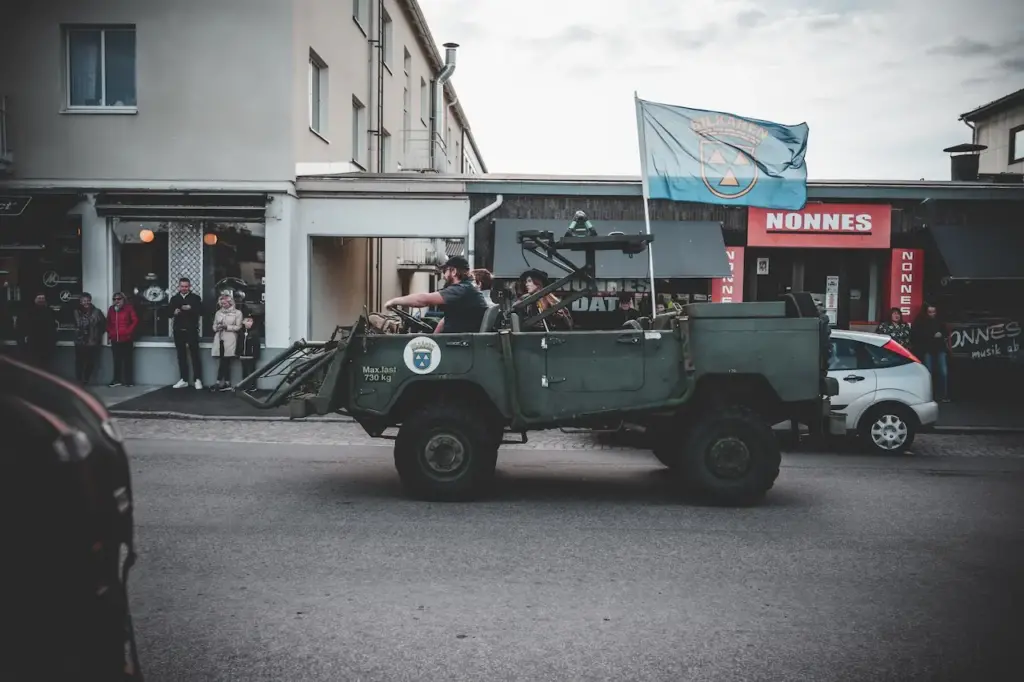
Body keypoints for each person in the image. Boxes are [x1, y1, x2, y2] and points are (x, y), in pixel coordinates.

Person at [383, 255, 489, 333]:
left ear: (454, 271)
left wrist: (394, 301)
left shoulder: (461, 290)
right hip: (458, 342)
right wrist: (434, 338)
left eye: (445, 271)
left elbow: (423, 300)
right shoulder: (467, 288)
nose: (443, 275)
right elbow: (446, 319)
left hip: (459, 346)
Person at [167, 277, 204, 389]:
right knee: (181, 356)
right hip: (178, 330)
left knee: (195, 355)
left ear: (190, 286)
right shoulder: (174, 298)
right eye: (182, 286)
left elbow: (202, 311)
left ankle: (198, 379)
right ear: (179, 286)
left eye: (186, 286)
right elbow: (168, 313)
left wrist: (191, 308)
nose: (184, 288)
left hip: (192, 330)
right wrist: (174, 312)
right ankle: (184, 379)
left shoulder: (195, 298)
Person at [911, 303, 950, 402]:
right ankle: (929, 396)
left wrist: (941, 334)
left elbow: (946, 332)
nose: (932, 314)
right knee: (929, 373)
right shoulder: (920, 321)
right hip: (927, 349)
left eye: (933, 312)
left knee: (943, 372)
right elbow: (916, 334)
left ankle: (942, 396)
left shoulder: (940, 320)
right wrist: (932, 335)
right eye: (930, 312)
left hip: (940, 348)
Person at [15, 293, 57, 370]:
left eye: (42, 298)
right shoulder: (28, 312)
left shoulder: (50, 311)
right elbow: (22, 328)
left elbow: (53, 328)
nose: (41, 300)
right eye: (39, 298)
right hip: (32, 346)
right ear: (34, 299)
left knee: (46, 369)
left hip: (46, 346)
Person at [211, 294, 243, 391]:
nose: (223, 305)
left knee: (225, 360)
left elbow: (239, 327)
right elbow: (214, 325)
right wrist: (217, 327)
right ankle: (227, 383)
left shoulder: (237, 313)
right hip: (219, 338)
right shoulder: (218, 313)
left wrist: (227, 327)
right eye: (221, 303)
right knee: (223, 360)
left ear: (230, 302)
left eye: (225, 303)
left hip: (230, 338)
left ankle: (218, 381)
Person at [106, 291, 139, 387]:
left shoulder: (128, 308)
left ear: (123, 299)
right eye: (114, 299)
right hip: (115, 338)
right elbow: (108, 322)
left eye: (119, 299)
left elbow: (135, 320)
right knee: (116, 360)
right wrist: (110, 332)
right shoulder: (112, 309)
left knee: (128, 360)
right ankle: (117, 380)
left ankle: (129, 381)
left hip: (126, 338)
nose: (117, 301)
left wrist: (128, 331)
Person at [73, 292, 106, 385]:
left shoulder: (97, 312)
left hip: (92, 342)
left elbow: (103, 325)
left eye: (87, 300)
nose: (85, 302)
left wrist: (96, 335)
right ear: (80, 302)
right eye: (83, 301)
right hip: (80, 341)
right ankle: (78, 380)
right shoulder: (76, 312)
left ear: (90, 301)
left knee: (90, 362)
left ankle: (86, 379)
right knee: (79, 361)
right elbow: (75, 325)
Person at [238, 316, 261, 387]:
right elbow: (239, 343)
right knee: (244, 370)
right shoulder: (241, 332)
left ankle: (253, 385)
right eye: (247, 321)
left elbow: (257, 345)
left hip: (251, 355)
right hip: (243, 355)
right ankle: (244, 385)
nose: (249, 323)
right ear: (243, 322)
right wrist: (238, 353)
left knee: (252, 370)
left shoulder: (254, 332)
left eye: (251, 321)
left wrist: (256, 355)